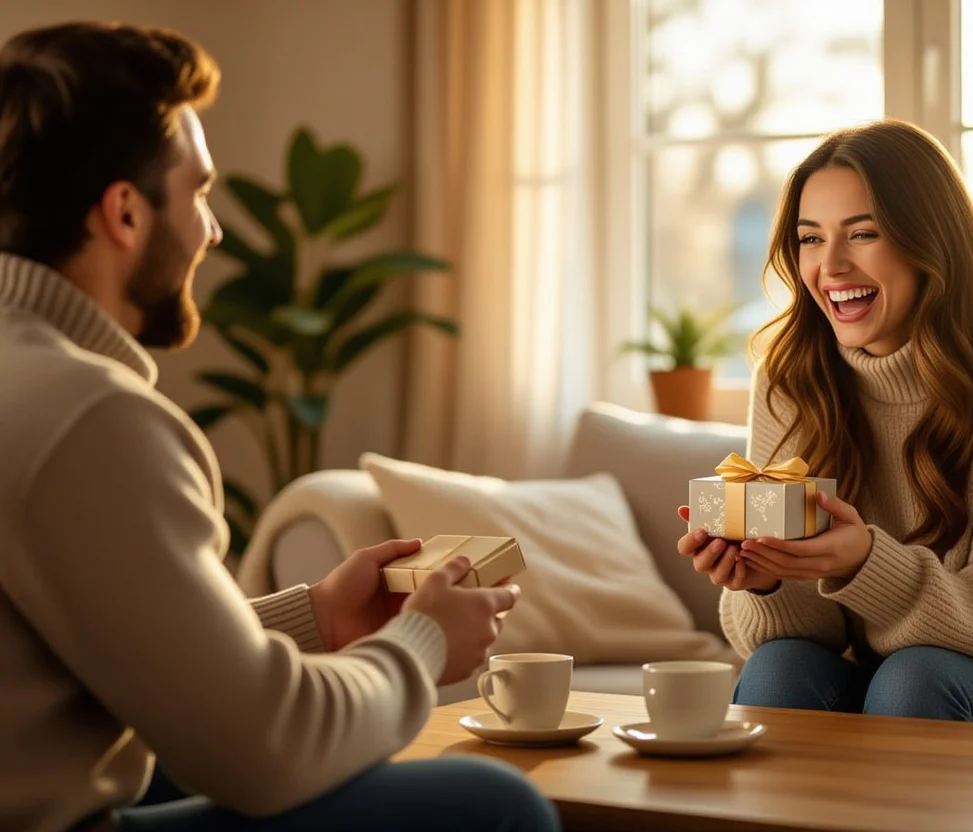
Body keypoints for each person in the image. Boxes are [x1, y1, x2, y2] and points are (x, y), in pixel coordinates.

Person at [0, 21, 559, 832]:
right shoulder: (88, 417)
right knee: (492, 806)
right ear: (123, 213)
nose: (213, 230)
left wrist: (320, 619)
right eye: (197, 193)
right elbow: (270, 750)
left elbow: (113, 654)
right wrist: (423, 643)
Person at [676, 120, 973, 734]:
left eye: (864, 234)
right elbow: (794, 638)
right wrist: (769, 581)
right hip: (877, 672)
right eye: (809, 238)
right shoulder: (789, 376)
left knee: (915, 678)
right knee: (779, 669)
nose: (831, 265)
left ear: (930, 241)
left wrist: (863, 564)